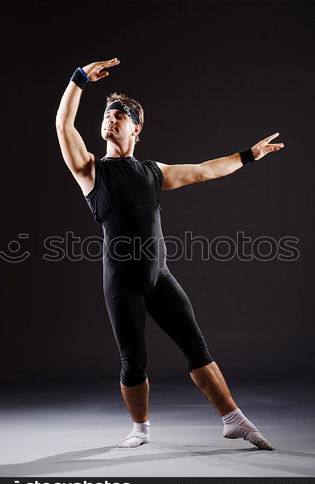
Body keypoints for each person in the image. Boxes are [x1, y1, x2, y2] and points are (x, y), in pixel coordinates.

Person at [56, 58, 284, 451]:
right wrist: (78, 81)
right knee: (134, 362)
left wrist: (248, 156)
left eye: (120, 115)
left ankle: (234, 420)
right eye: (108, 114)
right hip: (121, 282)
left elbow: (203, 170)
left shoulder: (152, 171)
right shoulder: (90, 170)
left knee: (197, 349)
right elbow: (63, 125)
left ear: (136, 128)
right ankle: (140, 429)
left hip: (159, 276)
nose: (111, 119)